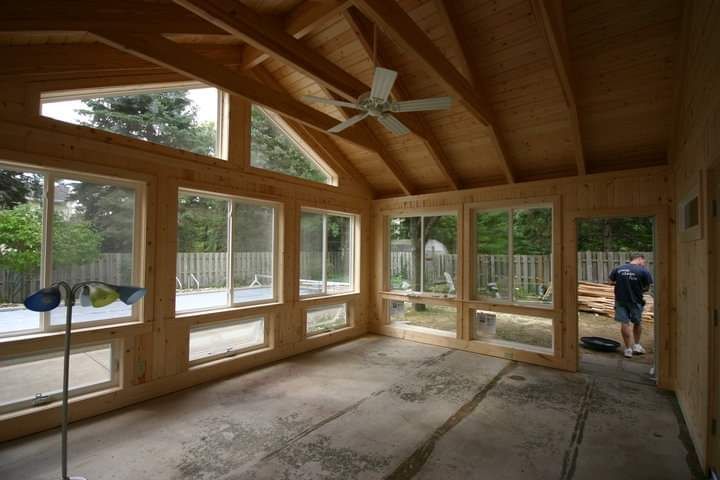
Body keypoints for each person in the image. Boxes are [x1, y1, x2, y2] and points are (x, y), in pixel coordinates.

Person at [608, 254, 653, 358]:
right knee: (637, 322)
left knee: (624, 323)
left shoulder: (618, 269)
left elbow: (610, 282)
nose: (644, 264)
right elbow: (647, 287)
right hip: (636, 300)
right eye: (643, 261)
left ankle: (628, 349)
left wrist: (621, 284)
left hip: (620, 300)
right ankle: (636, 346)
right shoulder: (643, 271)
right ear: (639, 259)